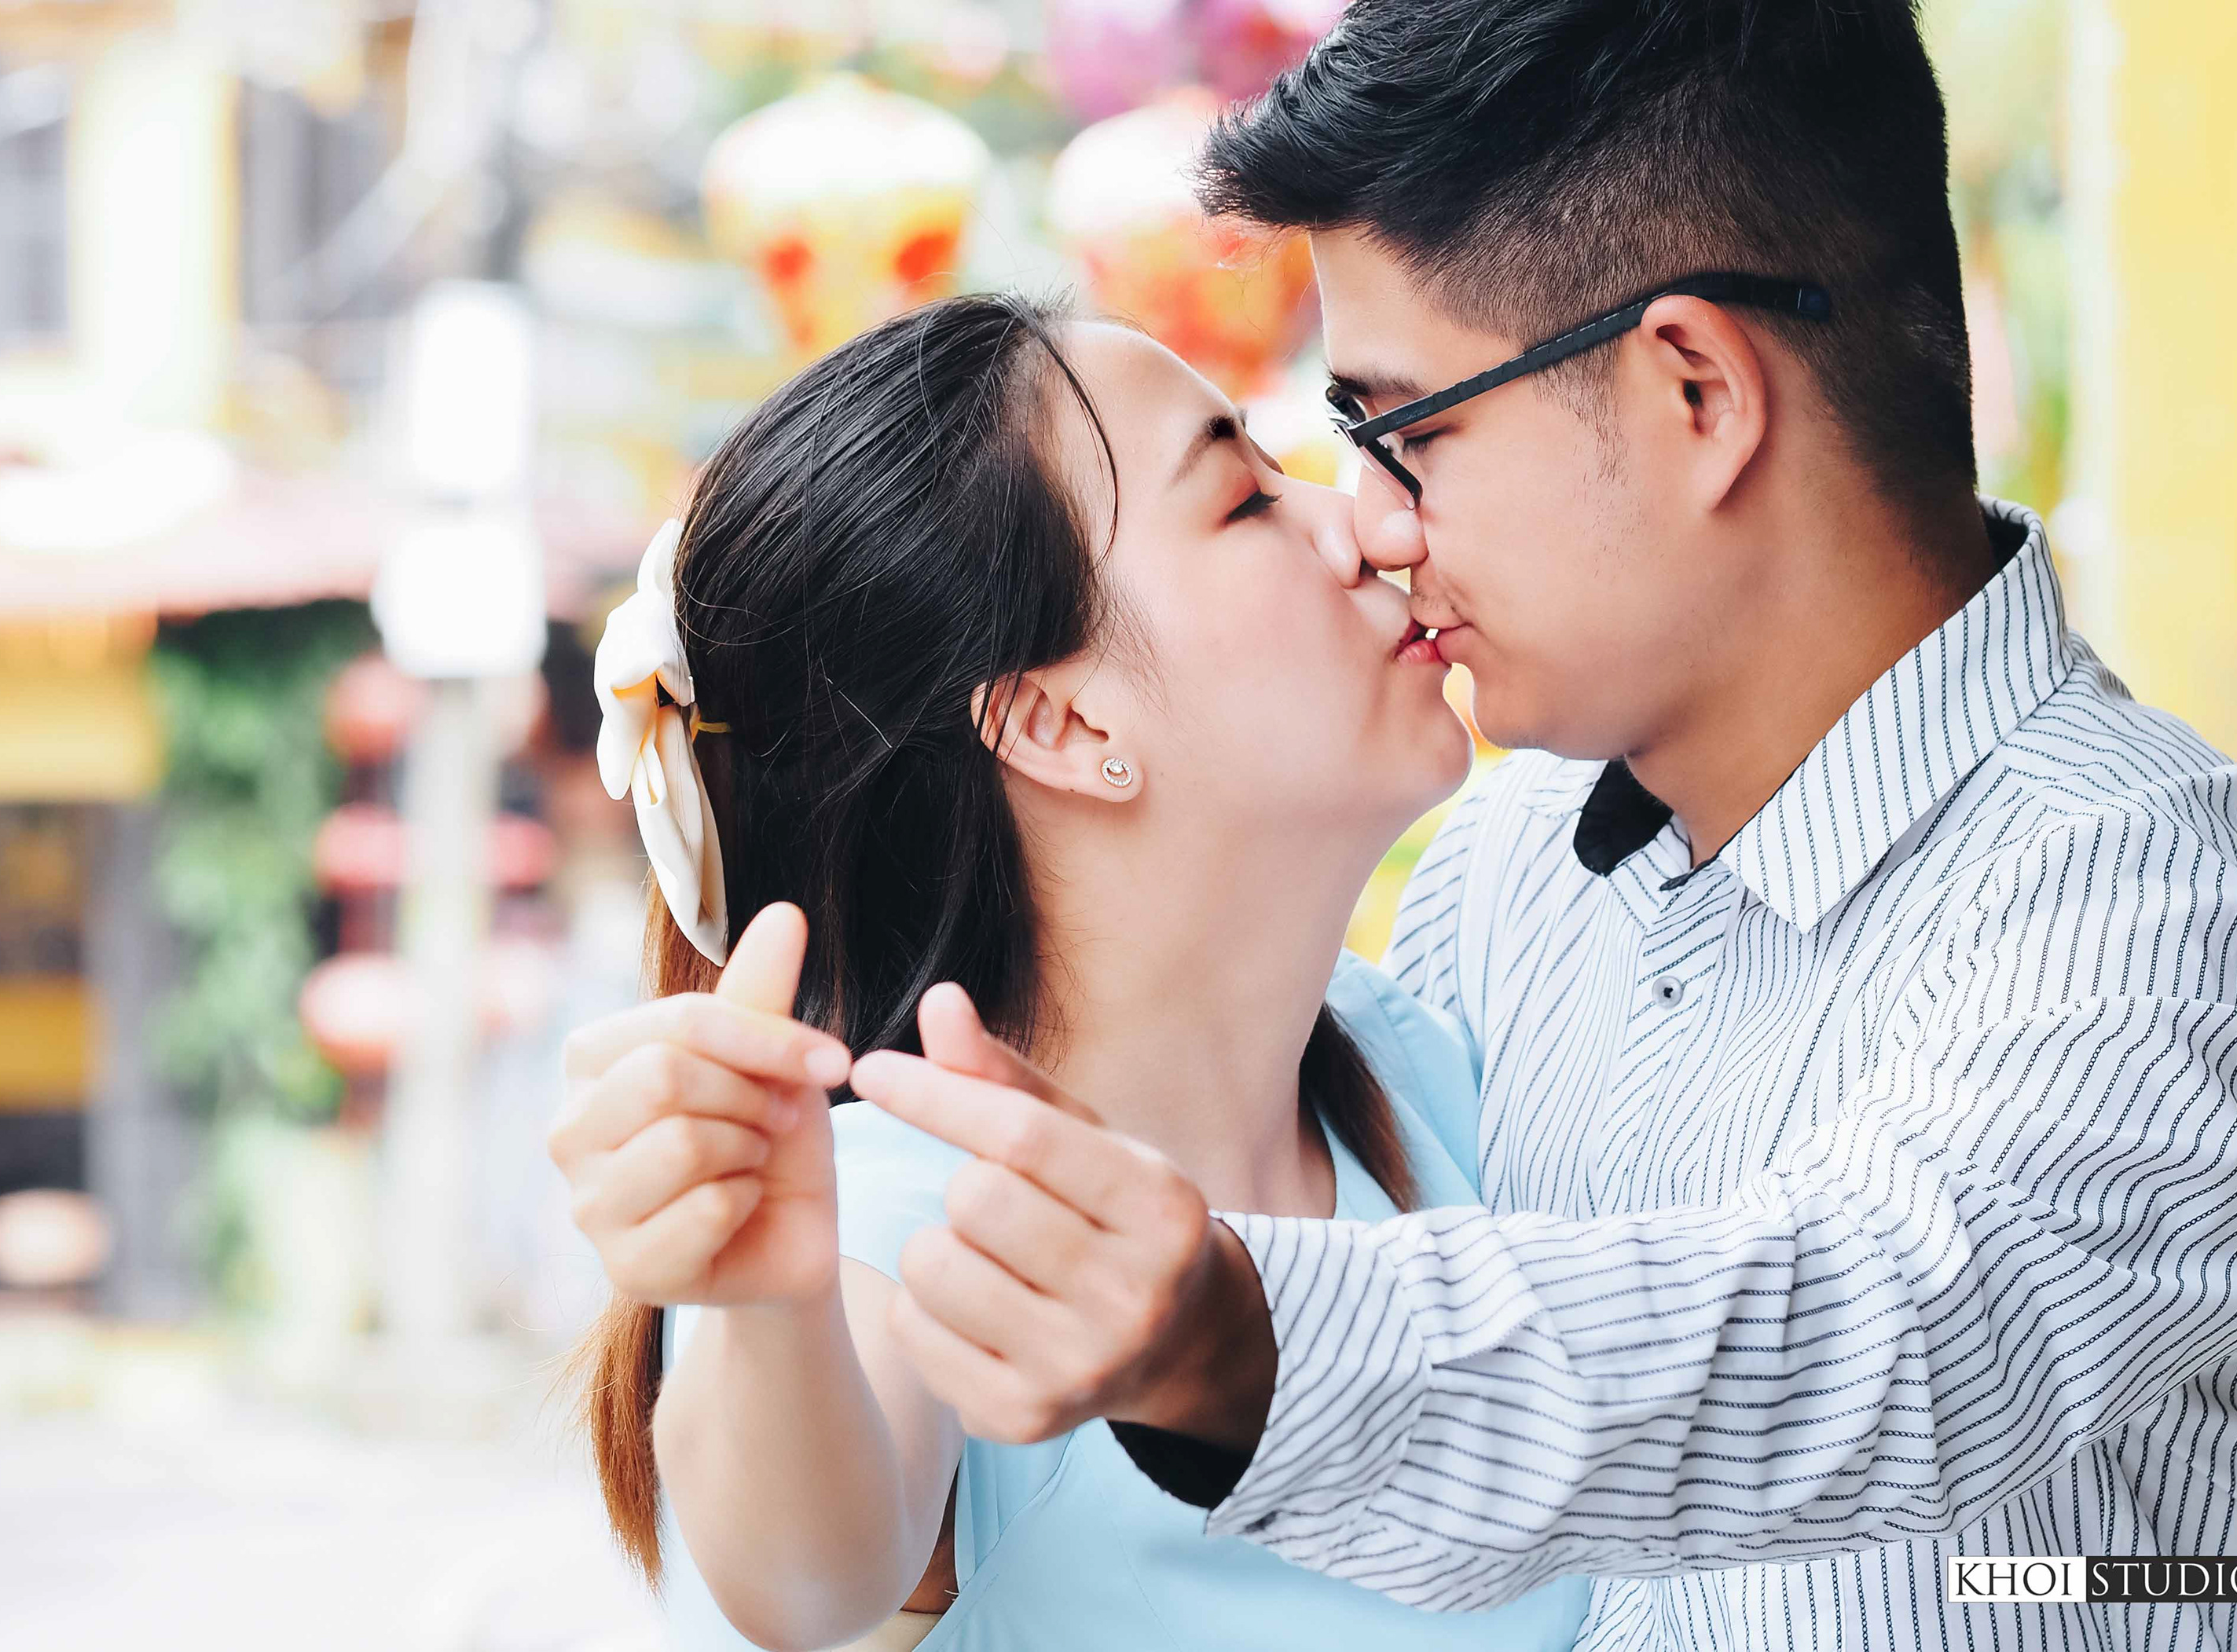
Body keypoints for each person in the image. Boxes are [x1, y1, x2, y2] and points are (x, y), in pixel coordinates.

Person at [842, 0, 2237, 1650]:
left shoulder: (2163, 906)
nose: (1369, 525)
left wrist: (1246, 1339)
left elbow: (1870, 1333)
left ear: (1692, 391)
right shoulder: (1508, 866)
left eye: (1406, 430)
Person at [547, 291, 1592, 1651]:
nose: (1368, 523)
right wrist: (764, 1314)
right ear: (1056, 716)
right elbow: (807, 1578)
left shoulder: (1428, 1076)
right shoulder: (906, 1208)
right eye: (1243, 498)